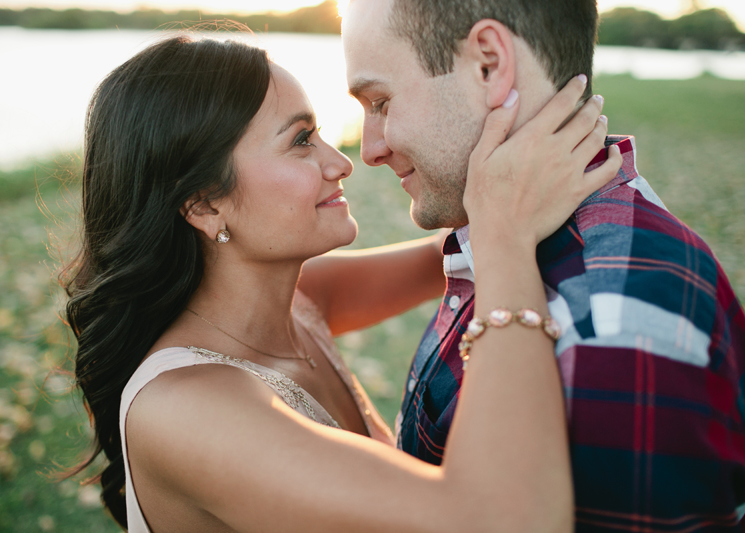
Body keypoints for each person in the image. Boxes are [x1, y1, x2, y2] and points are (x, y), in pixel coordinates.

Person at [63, 33, 619, 532]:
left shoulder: (302, 300)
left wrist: (503, 162)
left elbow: (458, 243)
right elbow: (506, 520)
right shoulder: (185, 411)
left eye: (321, 132)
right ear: (204, 203)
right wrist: (505, 244)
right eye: (300, 140)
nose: (341, 163)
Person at [341, 0, 745, 529]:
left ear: (489, 64)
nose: (368, 149)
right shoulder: (503, 234)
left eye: (380, 101)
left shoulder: (612, 325)